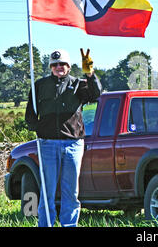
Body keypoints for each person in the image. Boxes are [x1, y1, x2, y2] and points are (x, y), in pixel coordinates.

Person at [25, 48, 102, 227]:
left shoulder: (79, 85)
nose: (59, 67)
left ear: (68, 66)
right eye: (55, 64)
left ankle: (69, 225)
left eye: (62, 64)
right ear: (51, 67)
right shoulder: (40, 85)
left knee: (71, 192)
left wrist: (90, 74)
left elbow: (96, 94)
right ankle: (46, 225)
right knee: (47, 191)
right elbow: (30, 114)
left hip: (73, 145)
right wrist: (39, 130)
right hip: (47, 144)